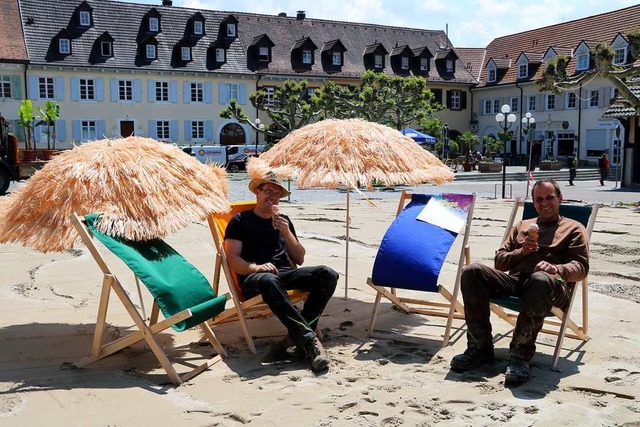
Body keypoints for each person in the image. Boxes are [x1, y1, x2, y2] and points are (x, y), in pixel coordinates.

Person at [450, 179, 589, 386]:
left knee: (539, 279)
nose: (545, 203)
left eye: (550, 197)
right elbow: (500, 261)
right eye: (539, 199)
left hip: (551, 285)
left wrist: (556, 269)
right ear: (533, 203)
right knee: (472, 272)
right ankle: (479, 348)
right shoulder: (522, 226)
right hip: (516, 280)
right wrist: (521, 251)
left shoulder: (574, 228)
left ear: (560, 198)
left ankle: (519, 357)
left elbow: (581, 267)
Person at [224, 175, 338, 372]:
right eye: (268, 191)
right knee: (270, 279)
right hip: (255, 278)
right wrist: (256, 267)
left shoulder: (283, 221)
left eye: (278, 194)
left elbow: (300, 258)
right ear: (257, 192)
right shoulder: (240, 221)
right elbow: (233, 259)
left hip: (283, 275)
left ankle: (291, 340)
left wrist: (286, 233)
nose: (273, 197)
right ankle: (310, 342)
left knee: (328, 274)